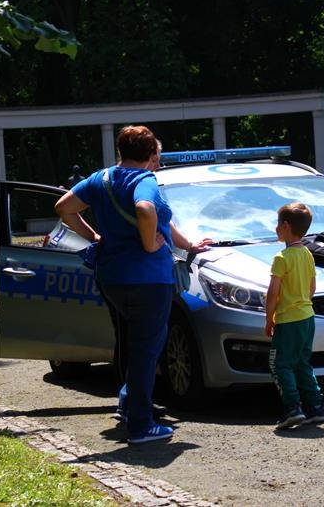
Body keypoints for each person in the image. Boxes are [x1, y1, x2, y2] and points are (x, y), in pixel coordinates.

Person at [55, 125, 210, 444]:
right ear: (151, 154)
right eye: (157, 155)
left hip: (111, 277)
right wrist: (149, 244)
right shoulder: (144, 181)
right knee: (146, 349)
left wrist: (94, 236)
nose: (158, 161)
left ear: (121, 151)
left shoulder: (101, 179)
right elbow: (145, 209)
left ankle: (128, 405)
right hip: (147, 280)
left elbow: (63, 208)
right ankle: (141, 424)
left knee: (133, 342)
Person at [264, 202, 324, 430]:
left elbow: (273, 292)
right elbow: (312, 288)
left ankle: (292, 408)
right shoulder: (307, 254)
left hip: (288, 320)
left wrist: (269, 318)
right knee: (302, 363)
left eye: (277, 224)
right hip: (307, 317)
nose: (275, 228)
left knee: (280, 364)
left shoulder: (282, 257)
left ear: (285, 226)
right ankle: (316, 407)